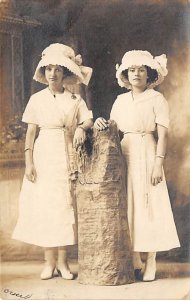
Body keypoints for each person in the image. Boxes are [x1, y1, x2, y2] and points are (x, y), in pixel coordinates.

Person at [94, 50, 180, 282]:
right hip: (125, 151)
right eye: (132, 70)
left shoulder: (157, 99)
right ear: (125, 74)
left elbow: (162, 136)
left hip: (148, 151)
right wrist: (101, 122)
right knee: (128, 203)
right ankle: (134, 258)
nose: (136, 74)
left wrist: (157, 164)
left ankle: (150, 259)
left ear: (149, 74)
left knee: (148, 203)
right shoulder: (121, 100)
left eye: (141, 70)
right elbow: (113, 128)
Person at [12, 43, 93, 280]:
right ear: (44, 72)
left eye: (58, 69)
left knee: (63, 206)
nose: (52, 73)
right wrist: (29, 162)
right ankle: (48, 262)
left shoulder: (75, 99)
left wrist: (80, 128)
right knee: (45, 207)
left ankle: (63, 262)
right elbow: (30, 133)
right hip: (43, 152)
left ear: (65, 73)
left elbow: (88, 119)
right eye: (48, 68)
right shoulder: (37, 99)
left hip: (66, 153)